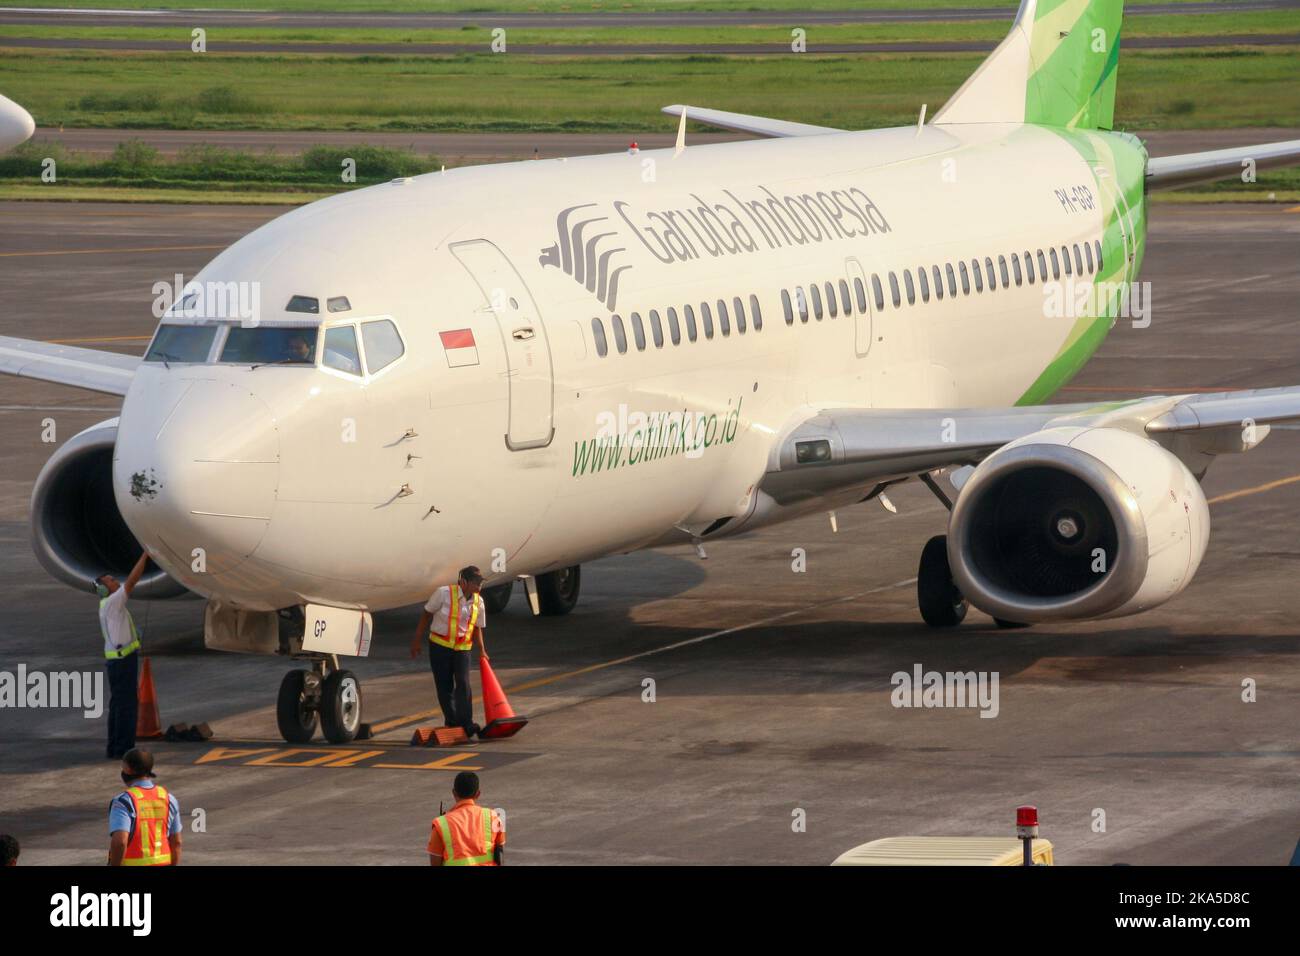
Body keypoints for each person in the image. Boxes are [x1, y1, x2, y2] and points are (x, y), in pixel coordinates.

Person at [410, 566, 488, 737]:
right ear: (464, 582)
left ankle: (466, 723)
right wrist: (416, 640)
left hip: (462, 649)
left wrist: (482, 650)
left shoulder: (478, 602)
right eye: (476, 583)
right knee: (444, 686)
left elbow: (477, 628)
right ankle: (452, 722)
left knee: (464, 684)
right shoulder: (443, 593)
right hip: (440, 647)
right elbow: (426, 614)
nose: (479, 587)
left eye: (481, 583)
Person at [96, 552, 150, 759]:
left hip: (117, 661)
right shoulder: (112, 603)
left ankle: (115, 747)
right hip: (123, 661)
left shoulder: (109, 606)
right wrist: (145, 556)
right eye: (111, 581)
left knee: (117, 705)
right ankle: (125, 748)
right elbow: (132, 581)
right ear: (103, 589)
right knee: (127, 707)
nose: (115, 582)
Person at [108, 749, 182, 867]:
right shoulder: (168, 799)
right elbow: (176, 842)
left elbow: (120, 842)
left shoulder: (124, 801)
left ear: (128, 769)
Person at [427, 771, 504, 866]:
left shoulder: (441, 824)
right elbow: (500, 854)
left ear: (454, 793)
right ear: (478, 794)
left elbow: (435, 861)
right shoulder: (493, 817)